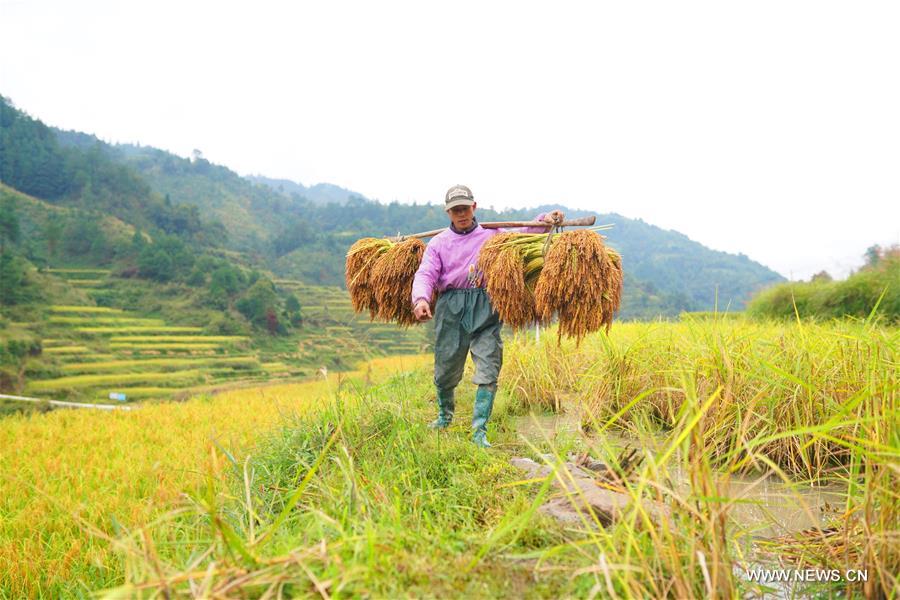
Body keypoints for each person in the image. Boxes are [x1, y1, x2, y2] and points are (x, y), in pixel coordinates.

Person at [411, 184, 564, 447]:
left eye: (465, 208)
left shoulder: (494, 235)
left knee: (489, 365)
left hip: (486, 304)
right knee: (446, 367)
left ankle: (479, 430)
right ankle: (444, 416)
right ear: (448, 212)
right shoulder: (438, 244)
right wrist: (421, 298)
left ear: (474, 207)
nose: (461, 214)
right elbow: (426, 273)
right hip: (452, 306)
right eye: (455, 210)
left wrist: (545, 220)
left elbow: (524, 231)